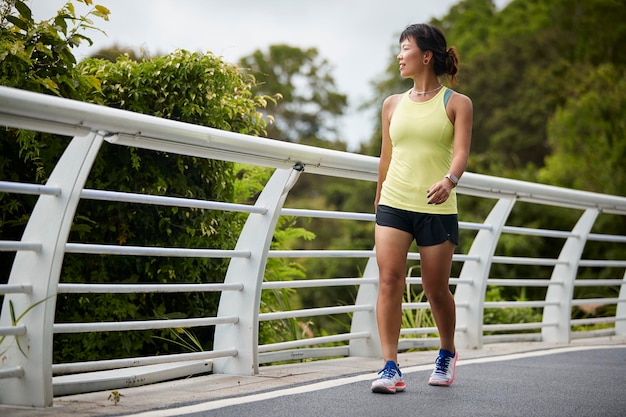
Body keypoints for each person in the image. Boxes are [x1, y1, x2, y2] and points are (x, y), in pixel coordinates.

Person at [370, 23, 473, 394]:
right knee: (388, 281)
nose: (399, 56)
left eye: (405, 48)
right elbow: (386, 157)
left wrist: (450, 181)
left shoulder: (457, 103)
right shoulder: (392, 104)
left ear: (426, 56)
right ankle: (389, 366)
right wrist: (378, 197)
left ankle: (447, 352)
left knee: (436, 288)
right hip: (394, 204)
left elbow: (461, 153)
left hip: (437, 206)